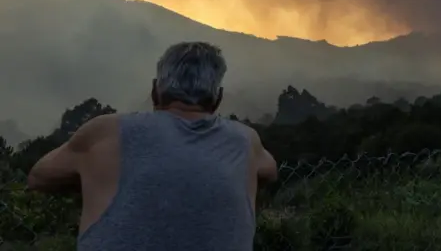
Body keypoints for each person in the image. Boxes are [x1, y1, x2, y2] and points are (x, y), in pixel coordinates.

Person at [27, 41, 278, 251]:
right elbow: (270, 171)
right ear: (218, 99)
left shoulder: (106, 132)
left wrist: (97, 178)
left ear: (155, 91)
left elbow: (38, 177)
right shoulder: (245, 142)